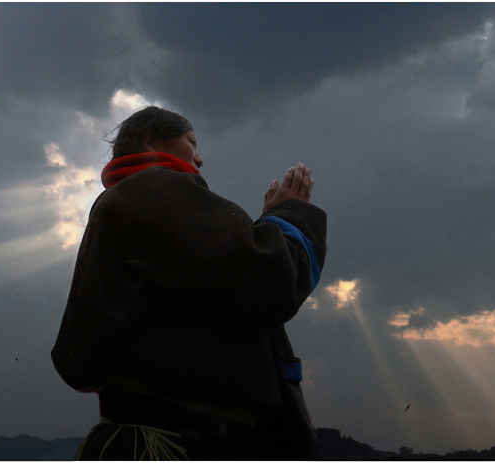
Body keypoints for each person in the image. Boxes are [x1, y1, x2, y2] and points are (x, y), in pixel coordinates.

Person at [51, 106, 326, 460]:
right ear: (152, 141)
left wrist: (265, 225)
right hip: (182, 441)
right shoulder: (157, 187)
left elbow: (213, 282)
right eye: (191, 142)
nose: (199, 158)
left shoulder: (123, 202)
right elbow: (265, 281)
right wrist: (289, 215)